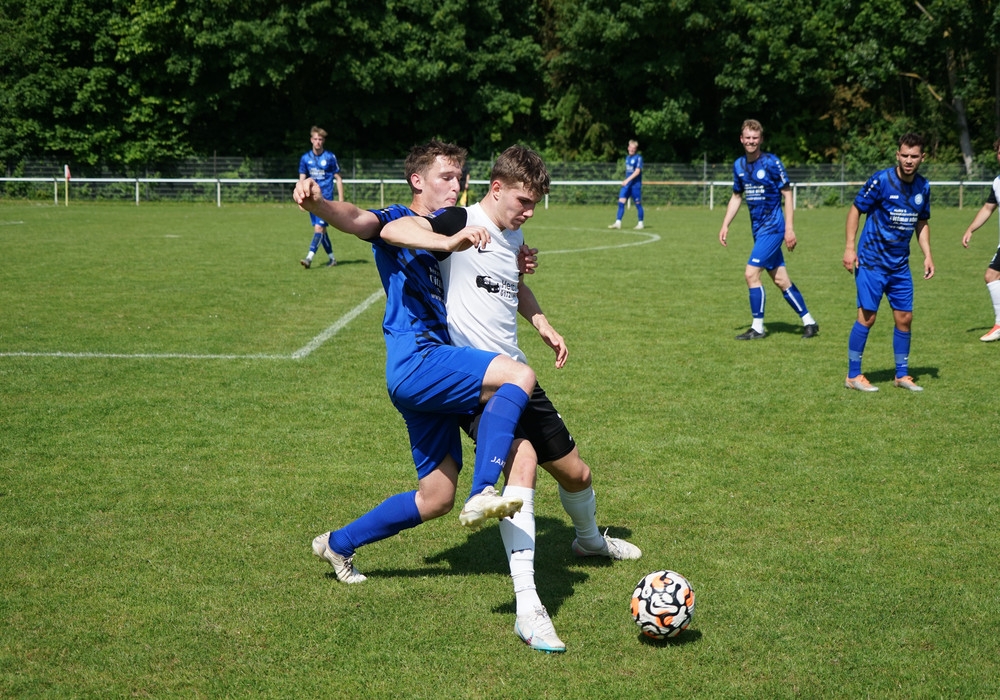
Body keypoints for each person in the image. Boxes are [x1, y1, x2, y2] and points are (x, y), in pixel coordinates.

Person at [385, 145, 642, 654]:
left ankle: (589, 541)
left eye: (535, 204)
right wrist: (448, 238)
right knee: (521, 462)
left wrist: (542, 322)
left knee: (577, 474)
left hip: (517, 370)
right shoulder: (460, 218)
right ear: (497, 188)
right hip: (478, 380)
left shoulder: (513, 234)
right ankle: (529, 607)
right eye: (524, 201)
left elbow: (511, 284)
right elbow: (398, 230)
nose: (529, 212)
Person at [292, 140, 534, 588]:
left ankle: (338, 543)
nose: (456, 186)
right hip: (419, 358)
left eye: (460, 178)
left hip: (430, 369)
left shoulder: (449, 224)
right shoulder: (400, 219)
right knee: (518, 375)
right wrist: (319, 204)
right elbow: (362, 222)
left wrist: (516, 260)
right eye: (446, 177)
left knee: (437, 497)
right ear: (417, 180)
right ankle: (484, 490)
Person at [843, 132, 934, 392]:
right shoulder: (881, 180)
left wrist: (928, 254)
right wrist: (849, 247)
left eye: (914, 156)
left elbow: (921, 222)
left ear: (922, 157)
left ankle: (902, 375)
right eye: (904, 155)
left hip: (899, 265)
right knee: (867, 317)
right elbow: (856, 209)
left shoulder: (923, 187)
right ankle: (853, 376)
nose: (908, 160)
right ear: (897, 155)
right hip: (871, 261)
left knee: (905, 317)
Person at [718, 119, 819, 340]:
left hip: (773, 228)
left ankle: (758, 328)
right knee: (781, 280)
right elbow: (736, 196)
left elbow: (787, 194)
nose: (751, 141)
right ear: (741, 139)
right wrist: (725, 224)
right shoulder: (739, 166)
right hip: (758, 230)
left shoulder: (772, 163)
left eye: (755, 138)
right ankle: (809, 322)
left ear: (761, 139)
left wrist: (789, 229)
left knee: (751, 273)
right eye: (748, 138)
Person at [960, 137, 1000, 342]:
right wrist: (971, 229)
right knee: (991, 276)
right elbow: (988, 208)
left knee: (992, 276)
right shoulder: (997, 182)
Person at [298, 126, 344, 268]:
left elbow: (338, 178)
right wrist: (300, 199)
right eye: (315, 139)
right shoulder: (305, 158)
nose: (317, 141)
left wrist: (341, 200)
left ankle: (309, 258)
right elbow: (301, 179)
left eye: (320, 139)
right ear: (311, 140)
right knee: (321, 230)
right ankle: (332, 259)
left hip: (326, 200)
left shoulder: (329, 157)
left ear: (323, 141)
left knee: (319, 229)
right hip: (311, 199)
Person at [609, 139, 644, 230]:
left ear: (635, 149)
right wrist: (626, 181)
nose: (631, 149)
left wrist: (627, 180)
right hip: (627, 186)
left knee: (638, 204)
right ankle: (618, 222)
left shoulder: (638, 158)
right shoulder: (627, 158)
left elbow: (637, 172)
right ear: (628, 148)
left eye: (633, 148)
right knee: (621, 202)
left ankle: (640, 223)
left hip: (635, 186)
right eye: (630, 147)